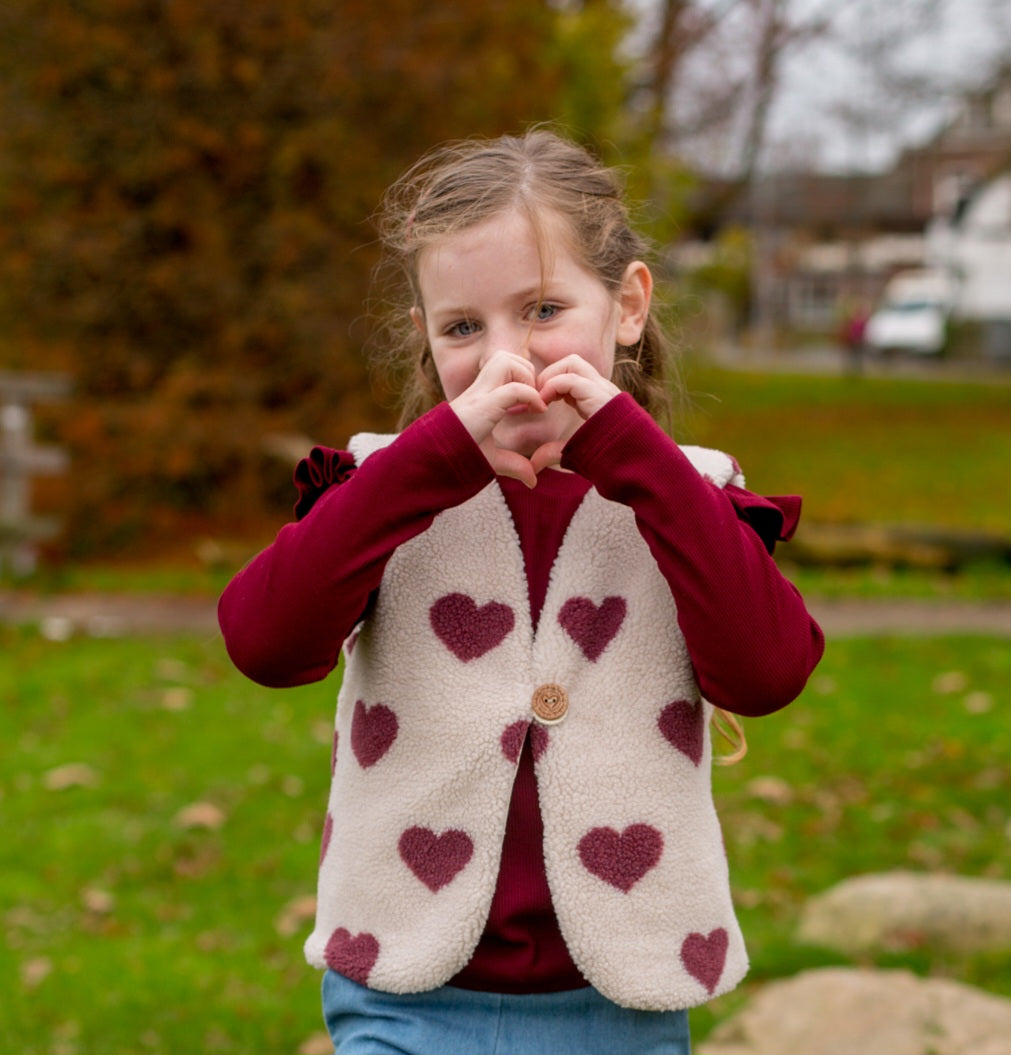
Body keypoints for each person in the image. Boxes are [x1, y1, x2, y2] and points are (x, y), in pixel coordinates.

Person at [218, 129, 825, 1055]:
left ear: (626, 307)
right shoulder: (382, 488)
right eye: (463, 326)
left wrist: (632, 455)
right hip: (403, 990)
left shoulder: (688, 495)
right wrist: (430, 460)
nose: (507, 357)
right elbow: (265, 643)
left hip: (622, 996)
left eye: (542, 309)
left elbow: (769, 669)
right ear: (424, 333)